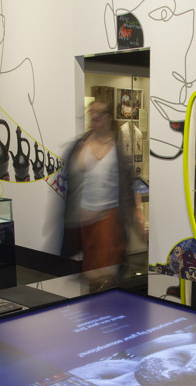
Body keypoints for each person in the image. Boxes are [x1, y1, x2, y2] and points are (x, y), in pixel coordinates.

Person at [61, 100, 146, 290]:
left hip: (109, 221)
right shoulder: (80, 146)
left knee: (107, 276)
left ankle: (108, 312)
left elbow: (130, 182)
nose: (95, 116)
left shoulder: (115, 149)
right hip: (85, 222)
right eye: (92, 112)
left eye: (100, 113)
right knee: (91, 274)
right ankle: (96, 312)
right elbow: (71, 182)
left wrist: (138, 213)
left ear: (108, 117)